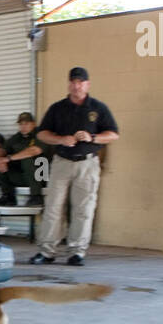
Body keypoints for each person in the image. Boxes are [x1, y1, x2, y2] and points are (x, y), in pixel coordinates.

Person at [30, 67, 120, 266]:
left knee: (83, 209)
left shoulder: (98, 108)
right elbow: (42, 134)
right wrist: (61, 139)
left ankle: (77, 252)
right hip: (61, 163)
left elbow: (113, 134)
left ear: (87, 84)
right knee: (53, 207)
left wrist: (93, 137)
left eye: (80, 82)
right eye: (73, 81)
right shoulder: (57, 108)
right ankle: (46, 252)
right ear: (68, 84)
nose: (76, 85)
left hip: (87, 164)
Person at [0, 112, 46, 207]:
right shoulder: (18, 137)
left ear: (33, 123)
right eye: (21, 124)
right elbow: (2, 149)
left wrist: (9, 158)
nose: (23, 127)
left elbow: (34, 151)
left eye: (26, 123)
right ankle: (8, 196)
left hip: (41, 176)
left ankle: (36, 197)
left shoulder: (41, 134)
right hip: (25, 176)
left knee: (27, 159)